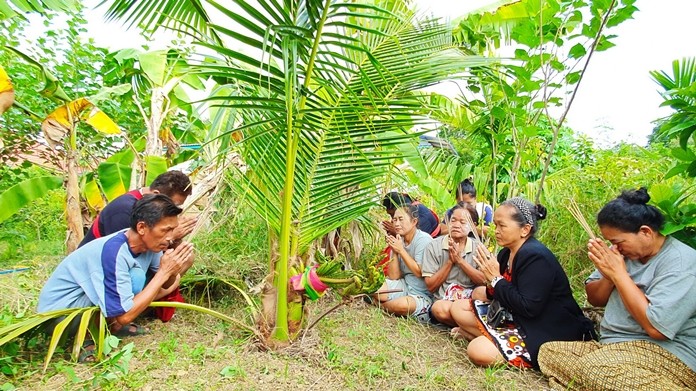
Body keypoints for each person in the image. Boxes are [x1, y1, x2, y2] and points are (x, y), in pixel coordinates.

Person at [538, 188, 696, 390]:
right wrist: (609, 274)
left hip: (667, 354)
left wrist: (620, 274)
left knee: (596, 369)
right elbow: (596, 299)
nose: (615, 248)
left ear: (646, 232)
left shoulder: (681, 263)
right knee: (549, 352)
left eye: (618, 242)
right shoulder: (621, 256)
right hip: (612, 348)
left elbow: (656, 329)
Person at [38, 194, 195, 361]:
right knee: (134, 281)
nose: (171, 236)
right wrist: (164, 272)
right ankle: (85, 338)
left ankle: (111, 326)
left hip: (85, 306)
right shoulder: (113, 252)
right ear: (142, 228)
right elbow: (125, 315)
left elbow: (165, 285)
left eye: (173, 229)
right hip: (61, 315)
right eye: (166, 230)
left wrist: (173, 267)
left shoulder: (150, 245)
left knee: (145, 279)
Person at [450, 197, 595, 369]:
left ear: (525, 230)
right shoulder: (506, 253)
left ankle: (486, 339)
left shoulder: (535, 257)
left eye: (502, 226)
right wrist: (491, 282)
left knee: (478, 351)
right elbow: (499, 293)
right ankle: (491, 338)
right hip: (516, 317)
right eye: (495, 225)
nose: (496, 231)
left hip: (544, 328)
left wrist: (496, 279)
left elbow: (528, 307)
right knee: (457, 307)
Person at [79, 170, 197, 322]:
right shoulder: (123, 211)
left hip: (127, 262)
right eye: (173, 204)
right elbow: (119, 256)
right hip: (102, 269)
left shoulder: (152, 235)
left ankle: (140, 305)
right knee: (137, 277)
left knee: (182, 261)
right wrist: (172, 239)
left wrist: (172, 258)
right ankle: (125, 311)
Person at [79, 170, 196, 248]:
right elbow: (124, 250)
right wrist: (173, 235)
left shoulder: (149, 204)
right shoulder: (124, 210)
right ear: (156, 194)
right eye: (173, 204)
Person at [422, 203, 486, 326]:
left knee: (483, 292)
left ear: (473, 226)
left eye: (462, 222)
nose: (456, 225)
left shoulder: (479, 249)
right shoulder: (434, 246)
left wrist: (460, 261)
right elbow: (430, 286)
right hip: (444, 301)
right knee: (439, 309)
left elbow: (484, 281)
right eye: (453, 220)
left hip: (469, 302)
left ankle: (467, 326)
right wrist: (450, 262)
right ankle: (473, 327)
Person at [372, 204, 434, 322]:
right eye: (394, 220)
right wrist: (395, 251)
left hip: (422, 294)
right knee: (375, 288)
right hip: (404, 285)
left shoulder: (424, 240)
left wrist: (401, 250)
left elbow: (419, 272)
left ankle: (382, 305)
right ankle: (388, 305)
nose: (396, 224)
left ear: (414, 221)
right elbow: (393, 276)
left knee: (402, 306)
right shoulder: (400, 240)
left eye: (401, 219)